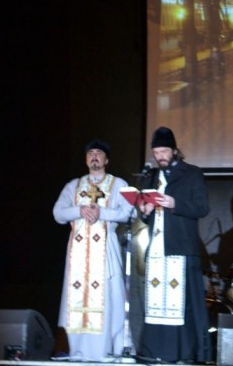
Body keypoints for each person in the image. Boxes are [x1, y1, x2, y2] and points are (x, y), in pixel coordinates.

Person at [53, 138, 136, 362]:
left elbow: (130, 212)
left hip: (105, 252)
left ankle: (107, 350)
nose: (95, 156)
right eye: (91, 153)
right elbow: (58, 213)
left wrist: (102, 213)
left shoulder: (118, 184)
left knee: (109, 299)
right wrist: (79, 210)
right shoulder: (73, 186)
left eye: (99, 153)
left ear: (107, 160)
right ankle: (77, 351)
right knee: (77, 300)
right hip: (78, 256)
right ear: (86, 159)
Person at [136, 126, 213, 364]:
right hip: (157, 249)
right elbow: (145, 217)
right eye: (156, 152)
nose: (160, 156)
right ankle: (155, 351)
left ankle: (185, 352)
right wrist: (145, 211)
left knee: (182, 304)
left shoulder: (192, 173)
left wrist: (174, 203)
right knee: (157, 302)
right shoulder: (150, 177)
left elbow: (202, 208)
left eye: (164, 151)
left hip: (181, 248)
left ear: (174, 150)